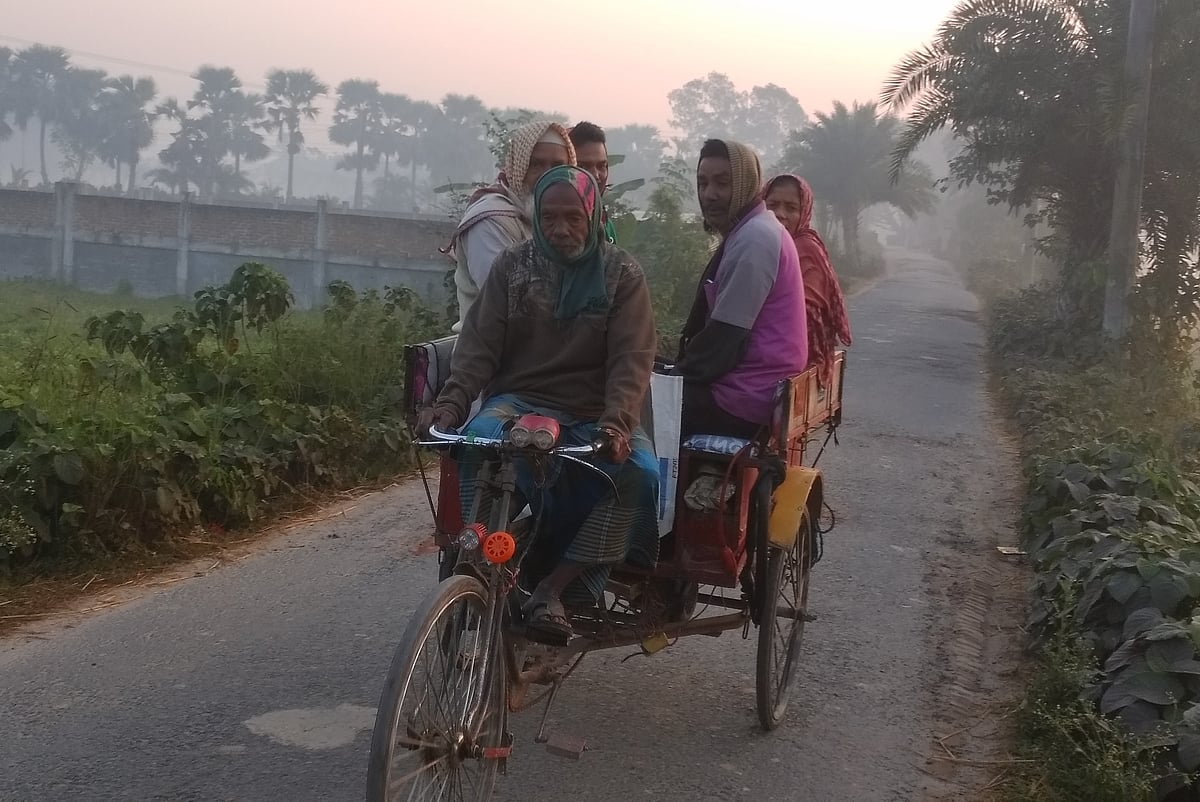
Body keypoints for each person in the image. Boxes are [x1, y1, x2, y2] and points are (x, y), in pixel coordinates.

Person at [419, 166, 659, 642]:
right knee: (477, 441)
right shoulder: (513, 267)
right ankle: (479, 559)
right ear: (536, 215)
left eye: (573, 217)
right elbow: (478, 347)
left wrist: (616, 423)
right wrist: (451, 403)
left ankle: (554, 587)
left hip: (594, 412)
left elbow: (630, 363)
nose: (561, 229)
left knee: (640, 473)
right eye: (549, 217)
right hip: (520, 402)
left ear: (592, 217)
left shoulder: (622, 275)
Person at [674, 139, 808, 439]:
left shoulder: (755, 238)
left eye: (723, 183)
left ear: (747, 184)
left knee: (631, 407)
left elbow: (724, 341)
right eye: (703, 183)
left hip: (744, 398)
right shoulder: (750, 230)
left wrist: (672, 377)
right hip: (749, 387)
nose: (709, 194)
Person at [445, 120, 575, 332]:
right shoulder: (490, 220)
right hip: (490, 356)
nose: (547, 176)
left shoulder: (562, 223)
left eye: (557, 167)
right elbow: (512, 305)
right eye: (536, 164)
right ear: (519, 168)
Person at [763, 173, 852, 387]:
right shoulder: (762, 245)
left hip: (794, 359)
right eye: (772, 204)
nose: (780, 214)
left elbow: (805, 316)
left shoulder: (805, 248)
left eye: (791, 208)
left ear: (804, 213)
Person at [567, 121, 618, 244]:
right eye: (583, 166)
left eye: (602, 166)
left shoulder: (604, 222)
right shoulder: (551, 224)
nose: (595, 175)